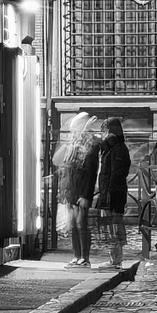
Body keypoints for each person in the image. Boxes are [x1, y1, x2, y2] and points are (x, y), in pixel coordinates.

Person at [53, 111, 100, 266]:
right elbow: (61, 165)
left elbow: (91, 172)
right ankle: (77, 255)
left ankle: (84, 257)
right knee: (74, 225)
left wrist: (86, 195)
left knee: (82, 224)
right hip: (71, 189)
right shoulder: (72, 145)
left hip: (81, 190)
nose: (72, 132)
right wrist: (64, 191)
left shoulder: (90, 145)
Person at [90, 116, 134, 268]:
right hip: (108, 192)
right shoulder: (109, 148)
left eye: (104, 130)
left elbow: (116, 174)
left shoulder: (118, 149)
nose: (102, 134)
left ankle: (116, 260)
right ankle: (114, 259)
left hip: (113, 194)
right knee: (110, 226)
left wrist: (108, 194)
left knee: (114, 225)